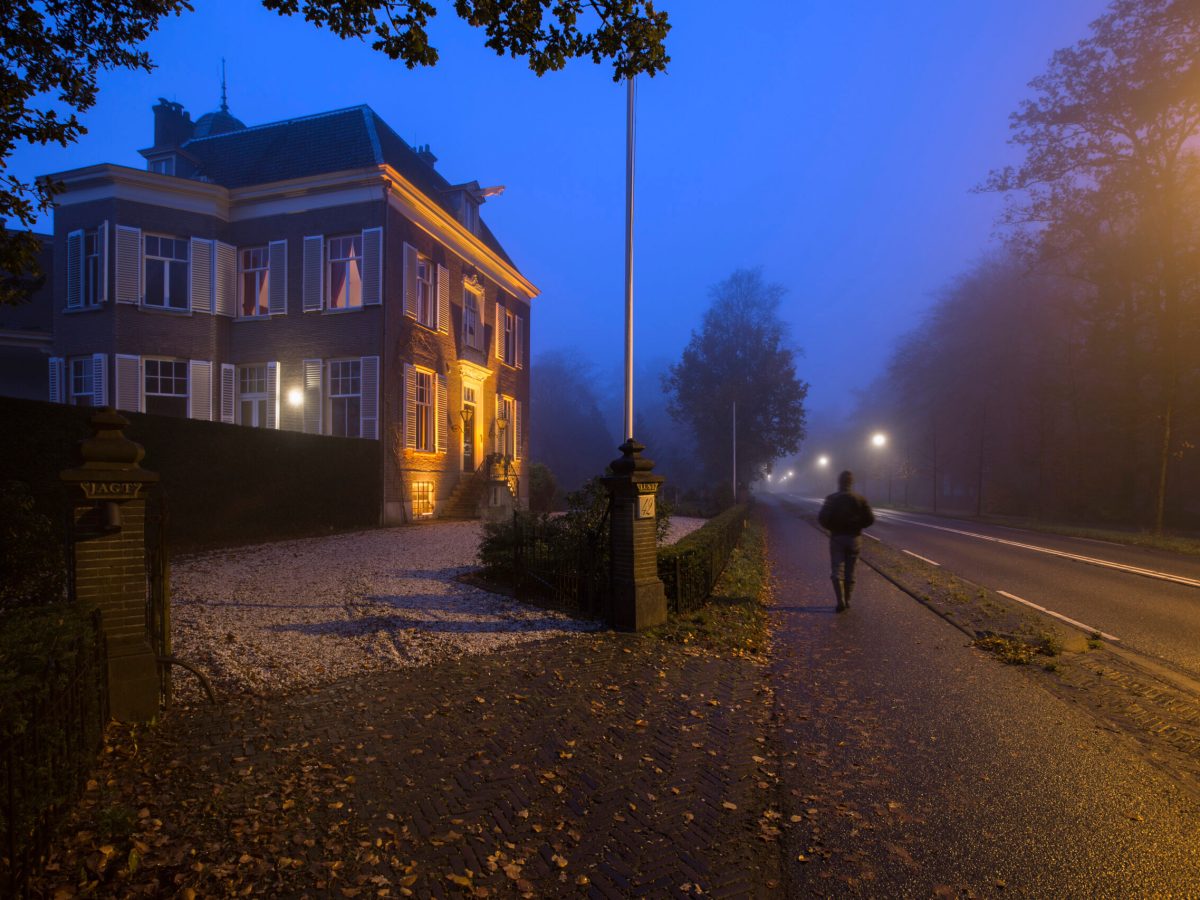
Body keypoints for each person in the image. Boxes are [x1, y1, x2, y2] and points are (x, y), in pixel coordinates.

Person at [817, 470, 875, 612]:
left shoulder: (832, 499)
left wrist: (831, 527)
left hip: (837, 537)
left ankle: (840, 600)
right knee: (851, 570)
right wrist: (859, 526)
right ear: (851, 482)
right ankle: (848, 599)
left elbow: (822, 518)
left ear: (839, 482)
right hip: (854, 538)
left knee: (837, 569)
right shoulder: (860, 499)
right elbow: (870, 519)